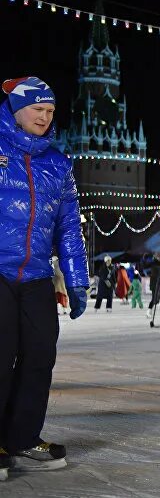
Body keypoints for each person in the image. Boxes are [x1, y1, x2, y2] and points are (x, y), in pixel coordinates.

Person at [0, 75, 89, 475]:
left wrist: (76, 278)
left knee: (39, 354)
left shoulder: (58, 163)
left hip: (35, 275)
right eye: (38, 109)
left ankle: (22, 438)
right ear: (18, 110)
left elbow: (69, 226)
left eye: (50, 111)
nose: (44, 116)